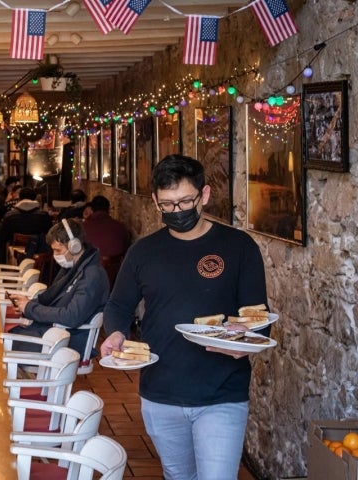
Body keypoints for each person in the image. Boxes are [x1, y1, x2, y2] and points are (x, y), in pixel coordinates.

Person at [99, 154, 269, 480]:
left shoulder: (239, 246)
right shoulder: (143, 252)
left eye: (185, 201)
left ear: (204, 195)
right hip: (161, 391)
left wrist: (245, 341)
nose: (176, 212)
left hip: (222, 392)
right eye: (167, 205)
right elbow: (118, 306)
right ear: (155, 202)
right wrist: (117, 333)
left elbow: (258, 314)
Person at [10, 218, 109, 354]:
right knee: (1, 339)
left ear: (74, 246)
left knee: (2, 345)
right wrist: (26, 305)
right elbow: (51, 298)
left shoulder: (92, 276)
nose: (55, 255)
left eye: (58, 250)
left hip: (66, 342)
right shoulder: (74, 268)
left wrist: (30, 308)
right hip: (57, 334)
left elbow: (71, 316)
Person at [0, 187, 52, 264]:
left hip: (15, 253)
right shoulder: (44, 216)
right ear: (34, 199)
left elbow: (0, 238)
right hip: (37, 254)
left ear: (19, 198)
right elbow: (50, 236)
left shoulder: (10, 215)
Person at [83, 195, 130, 259]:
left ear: (92, 209)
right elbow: (126, 250)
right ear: (108, 210)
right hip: (116, 267)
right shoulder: (120, 226)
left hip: (90, 266)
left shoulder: (83, 227)